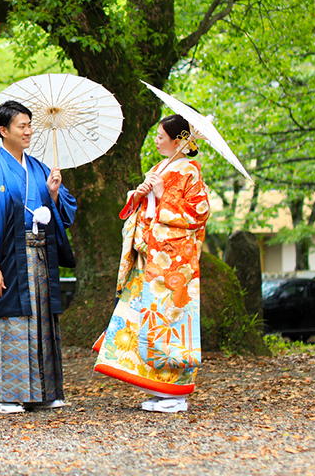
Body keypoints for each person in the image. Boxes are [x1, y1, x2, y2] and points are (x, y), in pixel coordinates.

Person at [0, 100, 77, 415]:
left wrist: (53, 193)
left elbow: (63, 212)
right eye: (21, 126)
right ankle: (9, 396)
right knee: (11, 320)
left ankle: (44, 392)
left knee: (42, 321)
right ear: (3, 131)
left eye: (29, 125)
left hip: (41, 256)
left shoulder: (40, 168)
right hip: (9, 259)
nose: (28, 131)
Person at [92, 113, 211, 413]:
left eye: (161, 136)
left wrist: (161, 197)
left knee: (169, 322)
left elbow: (198, 213)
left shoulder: (190, 172)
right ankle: (158, 387)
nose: (156, 140)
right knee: (140, 318)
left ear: (180, 140)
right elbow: (146, 210)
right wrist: (140, 196)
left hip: (172, 265)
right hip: (150, 258)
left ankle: (176, 392)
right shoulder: (160, 167)